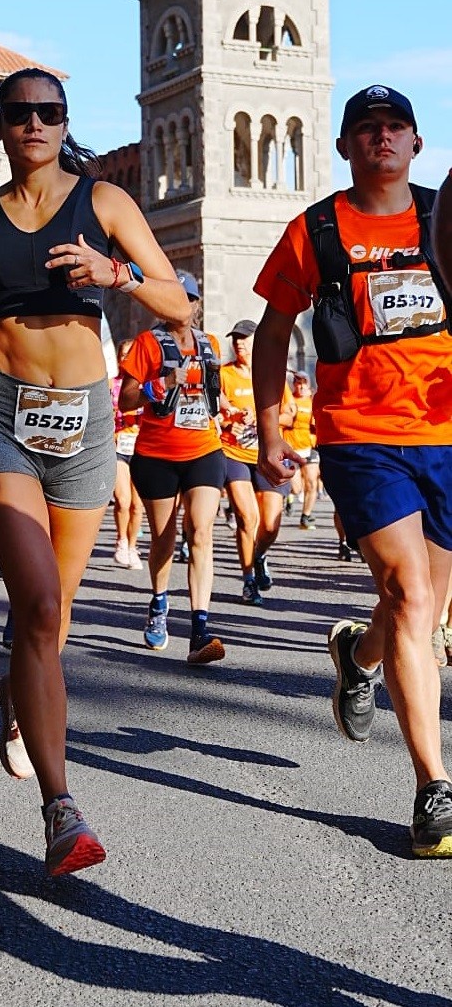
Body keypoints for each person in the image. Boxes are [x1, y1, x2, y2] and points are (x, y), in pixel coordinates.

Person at [0, 66, 189, 876]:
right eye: (19, 113)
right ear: (1, 127)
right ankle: (60, 809)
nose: (34, 123)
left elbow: (177, 302)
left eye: (48, 112)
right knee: (37, 601)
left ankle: (17, 693)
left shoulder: (103, 204)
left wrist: (117, 275)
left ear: (61, 121)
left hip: (84, 426)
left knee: (54, 617)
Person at [253, 83, 452, 858]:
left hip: (446, 436)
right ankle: (432, 786)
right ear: (343, 147)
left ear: (414, 143)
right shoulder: (316, 230)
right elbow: (274, 329)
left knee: (426, 606)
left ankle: (356, 657)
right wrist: (270, 427)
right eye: (364, 128)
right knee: (406, 592)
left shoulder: (443, 218)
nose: (380, 137)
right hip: (359, 435)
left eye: (393, 125)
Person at [119, 270, 226, 663]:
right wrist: (161, 381)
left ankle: (200, 629)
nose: (186, 304)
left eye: (191, 298)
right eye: (178, 297)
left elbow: (216, 395)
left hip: (204, 449)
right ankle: (160, 603)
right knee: (163, 538)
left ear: (197, 305)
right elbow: (126, 401)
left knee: (200, 529)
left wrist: (225, 406)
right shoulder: (148, 344)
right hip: (158, 454)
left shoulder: (209, 344)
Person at [218, 319, 294, 605]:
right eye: (235, 338)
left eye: (244, 338)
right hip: (234, 453)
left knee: (271, 524)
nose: (239, 343)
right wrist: (230, 423)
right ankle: (249, 579)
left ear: (255, 341)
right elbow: (216, 413)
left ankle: (260, 555)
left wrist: (264, 421)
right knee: (247, 518)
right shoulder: (224, 374)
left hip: (267, 455)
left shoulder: (271, 373)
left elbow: (289, 415)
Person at [110, 338, 143, 570]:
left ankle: (132, 546)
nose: (126, 359)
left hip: (141, 447)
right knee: (123, 499)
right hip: (118, 446)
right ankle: (121, 541)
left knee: (137, 505)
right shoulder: (111, 384)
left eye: (130, 355)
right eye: (123, 355)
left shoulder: (145, 386)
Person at [283, 371, 320, 531]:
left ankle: (306, 516)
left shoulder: (313, 401)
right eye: (298, 383)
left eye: (304, 383)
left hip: (309, 446)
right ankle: (290, 497)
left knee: (311, 483)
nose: (301, 386)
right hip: (292, 447)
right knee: (297, 487)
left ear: (309, 385)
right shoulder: (289, 401)